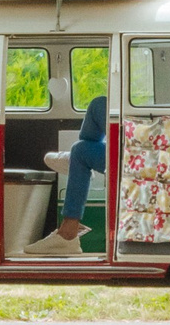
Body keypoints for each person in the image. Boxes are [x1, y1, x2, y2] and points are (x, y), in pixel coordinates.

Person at [20, 94, 107, 258]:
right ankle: (76, 161)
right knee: (81, 147)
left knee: (99, 105)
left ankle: (75, 162)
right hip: (135, 146)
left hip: (139, 154)